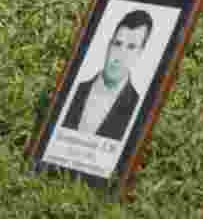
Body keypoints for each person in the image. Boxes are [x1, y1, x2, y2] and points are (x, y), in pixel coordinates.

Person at [61, 9, 153, 141]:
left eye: (131, 47)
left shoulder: (139, 107)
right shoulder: (74, 89)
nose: (119, 55)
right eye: (118, 44)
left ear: (140, 53)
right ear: (109, 45)